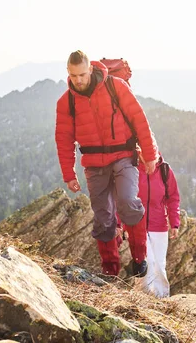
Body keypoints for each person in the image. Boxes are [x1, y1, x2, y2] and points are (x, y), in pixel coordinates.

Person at [55, 50, 158, 277]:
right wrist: (69, 174)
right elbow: (63, 140)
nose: (78, 80)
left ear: (90, 69)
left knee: (128, 201)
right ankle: (110, 271)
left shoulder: (116, 87)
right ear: (68, 73)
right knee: (103, 217)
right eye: (73, 76)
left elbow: (140, 121)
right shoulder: (66, 102)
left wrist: (149, 155)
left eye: (82, 74)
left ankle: (139, 259)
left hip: (124, 156)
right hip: (94, 164)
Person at [135, 152, 180, 298]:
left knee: (160, 266)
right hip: (137, 224)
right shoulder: (132, 169)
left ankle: (162, 299)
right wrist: (120, 223)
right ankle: (144, 298)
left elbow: (173, 198)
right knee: (148, 262)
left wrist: (174, 223)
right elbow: (122, 197)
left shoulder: (164, 170)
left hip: (159, 225)